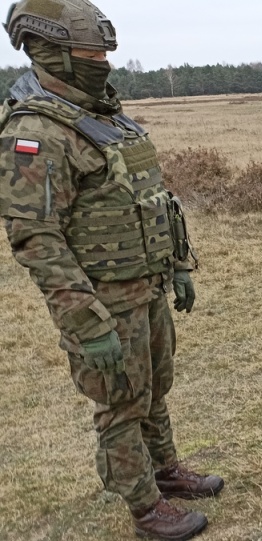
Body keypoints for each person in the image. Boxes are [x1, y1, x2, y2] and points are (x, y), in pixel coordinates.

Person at [0, 2, 222, 539]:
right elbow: (36, 237)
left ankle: (165, 472)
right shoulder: (35, 132)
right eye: (91, 53)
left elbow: (153, 200)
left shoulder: (106, 117)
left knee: (155, 388)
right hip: (103, 302)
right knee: (120, 404)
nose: (103, 62)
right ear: (51, 53)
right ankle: (145, 507)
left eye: (104, 51)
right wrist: (85, 320)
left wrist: (180, 265)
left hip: (147, 287)